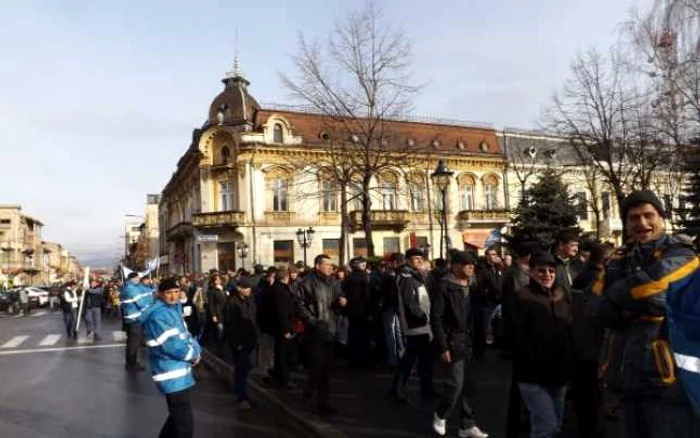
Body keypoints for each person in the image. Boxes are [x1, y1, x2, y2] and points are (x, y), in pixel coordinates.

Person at [586, 190, 700, 438]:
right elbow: (593, 305)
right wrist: (622, 308)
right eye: (634, 218)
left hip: (666, 381)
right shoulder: (618, 258)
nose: (642, 223)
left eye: (649, 215)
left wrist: (615, 299)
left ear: (661, 217)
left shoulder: (682, 253)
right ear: (626, 223)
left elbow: (654, 290)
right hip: (623, 376)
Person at [511, 252, 573, 438]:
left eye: (551, 271)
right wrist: (532, 359)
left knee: (556, 426)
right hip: (533, 376)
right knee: (545, 427)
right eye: (541, 270)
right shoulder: (522, 297)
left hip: (559, 374)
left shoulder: (562, 295)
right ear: (531, 272)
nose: (547, 274)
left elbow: (569, 330)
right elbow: (515, 335)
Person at [431, 251, 489, 438]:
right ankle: (441, 413)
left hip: (472, 341)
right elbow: (437, 318)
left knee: (470, 386)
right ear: (455, 266)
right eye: (467, 264)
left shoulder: (473, 286)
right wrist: (443, 346)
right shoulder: (444, 286)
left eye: (473, 264)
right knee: (456, 383)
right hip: (453, 340)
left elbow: (477, 315)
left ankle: (467, 425)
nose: (472, 267)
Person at [140, 277, 201, 438]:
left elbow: (186, 336)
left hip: (179, 371)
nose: (173, 296)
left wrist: (196, 350)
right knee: (184, 428)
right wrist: (193, 355)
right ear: (160, 294)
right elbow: (172, 346)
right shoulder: (160, 315)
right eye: (169, 293)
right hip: (171, 372)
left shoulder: (173, 310)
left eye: (176, 292)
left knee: (176, 420)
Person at [295, 254, 348, 415]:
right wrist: (312, 320)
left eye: (332, 265)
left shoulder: (333, 282)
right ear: (317, 266)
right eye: (327, 265)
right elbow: (298, 304)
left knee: (326, 368)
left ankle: (323, 402)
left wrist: (341, 301)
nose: (331, 268)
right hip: (315, 330)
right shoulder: (307, 282)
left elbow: (339, 297)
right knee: (317, 366)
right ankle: (309, 393)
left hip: (330, 328)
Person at [570, 242, 613, 438]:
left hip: (582, 344)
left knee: (586, 390)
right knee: (592, 392)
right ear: (605, 260)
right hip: (594, 343)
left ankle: (588, 425)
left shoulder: (583, 275)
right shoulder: (597, 279)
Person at [501, 242, 540, 438]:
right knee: (522, 385)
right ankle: (519, 426)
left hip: (523, 336)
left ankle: (523, 422)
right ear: (528, 256)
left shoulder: (520, 273)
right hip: (521, 338)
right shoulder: (516, 276)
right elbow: (514, 310)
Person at [391, 248, 435, 403]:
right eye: (416, 258)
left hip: (422, 324)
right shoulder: (407, 277)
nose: (419, 261)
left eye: (420, 258)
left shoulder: (416, 275)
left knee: (425, 359)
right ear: (408, 260)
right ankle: (398, 390)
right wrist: (423, 316)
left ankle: (427, 388)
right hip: (415, 325)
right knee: (409, 360)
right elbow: (410, 303)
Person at [224, 276, 258, 409]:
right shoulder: (232, 303)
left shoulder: (250, 301)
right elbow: (230, 325)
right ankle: (241, 396)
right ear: (239, 289)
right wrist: (236, 343)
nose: (249, 290)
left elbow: (253, 319)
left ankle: (242, 391)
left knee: (249, 366)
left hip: (250, 340)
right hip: (239, 342)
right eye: (246, 288)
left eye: (250, 288)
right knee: (241, 368)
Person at [121, 272, 154, 371]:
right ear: (132, 279)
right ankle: (131, 364)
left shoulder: (134, 287)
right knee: (133, 342)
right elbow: (141, 302)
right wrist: (150, 309)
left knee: (133, 341)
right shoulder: (130, 289)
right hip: (134, 318)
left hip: (135, 317)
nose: (138, 279)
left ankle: (131, 362)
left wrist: (152, 286)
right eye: (137, 278)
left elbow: (147, 292)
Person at [474, 247, 503, 356]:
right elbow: (482, 286)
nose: (492, 257)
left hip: (499, 302)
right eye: (490, 254)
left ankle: (499, 346)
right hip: (488, 303)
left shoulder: (498, 269)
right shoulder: (482, 269)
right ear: (486, 256)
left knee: (499, 325)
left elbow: (501, 283)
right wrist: (488, 293)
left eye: (494, 254)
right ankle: (480, 351)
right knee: (485, 326)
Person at [343, 257, 371, 369]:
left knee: (353, 335)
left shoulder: (348, 277)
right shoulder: (365, 277)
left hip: (352, 311)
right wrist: (369, 311)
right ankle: (362, 361)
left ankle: (353, 360)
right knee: (363, 337)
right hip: (363, 311)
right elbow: (367, 296)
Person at [270, 268, 296, 388]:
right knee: (283, 354)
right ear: (285, 277)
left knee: (281, 353)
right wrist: (286, 329)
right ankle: (283, 380)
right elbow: (282, 312)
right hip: (282, 327)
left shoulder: (276, 289)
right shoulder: (280, 291)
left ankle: (279, 377)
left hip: (279, 326)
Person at [553, 231, 583, 298]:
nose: (576, 249)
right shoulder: (550, 264)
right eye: (573, 245)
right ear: (561, 245)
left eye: (577, 246)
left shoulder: (578, 264)